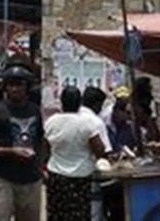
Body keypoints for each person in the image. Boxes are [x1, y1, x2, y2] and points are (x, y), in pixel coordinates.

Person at [0, 62, 43, 221]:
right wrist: (10, 152)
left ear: (27, 87)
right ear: (5, 87)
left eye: (19, 84)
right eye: (11, 84)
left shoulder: (35, 111)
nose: (15, 89)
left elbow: (40, 139)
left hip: (30, 178)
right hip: (3, 177)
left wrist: (42, 165)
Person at [43, 86, 109, 221]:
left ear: (62, 102)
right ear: (79, 103)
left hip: (56, 176)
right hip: (80, 177)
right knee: (79, 215)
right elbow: (99, 150)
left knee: (57, 214)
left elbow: (45, 148)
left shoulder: (51, 122)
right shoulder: (87, 123)